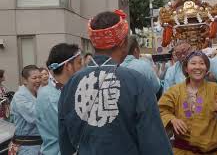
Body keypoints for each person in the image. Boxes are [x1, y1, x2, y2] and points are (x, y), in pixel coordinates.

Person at [58, 10, 173, 155]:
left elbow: (65, 143)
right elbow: (154, 143)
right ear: (124, 43)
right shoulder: (136, 81)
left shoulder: (70, 84)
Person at [159, 51, 217, 155]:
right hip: (182, 151)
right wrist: (172, 119)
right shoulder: (175, 91)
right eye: (193, 63)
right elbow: (161, 110)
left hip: (211, 152)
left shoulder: (215, 89)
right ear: (186, 68)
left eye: (202, 63)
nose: (198, 67)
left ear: (207, 68)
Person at [35, 43, 82, 155]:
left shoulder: (64, 90)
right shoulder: (50, 96)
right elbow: (70, 133)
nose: (83, 67)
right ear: (68, 66)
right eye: (79, 63)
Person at [9, 65, 42, 155]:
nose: (38, 80)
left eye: (40, 77)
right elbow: (36, 117)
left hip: (40, 144)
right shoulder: (20, 96)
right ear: (25, 80)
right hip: (27, 146)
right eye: (34, 78)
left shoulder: (39, 93)